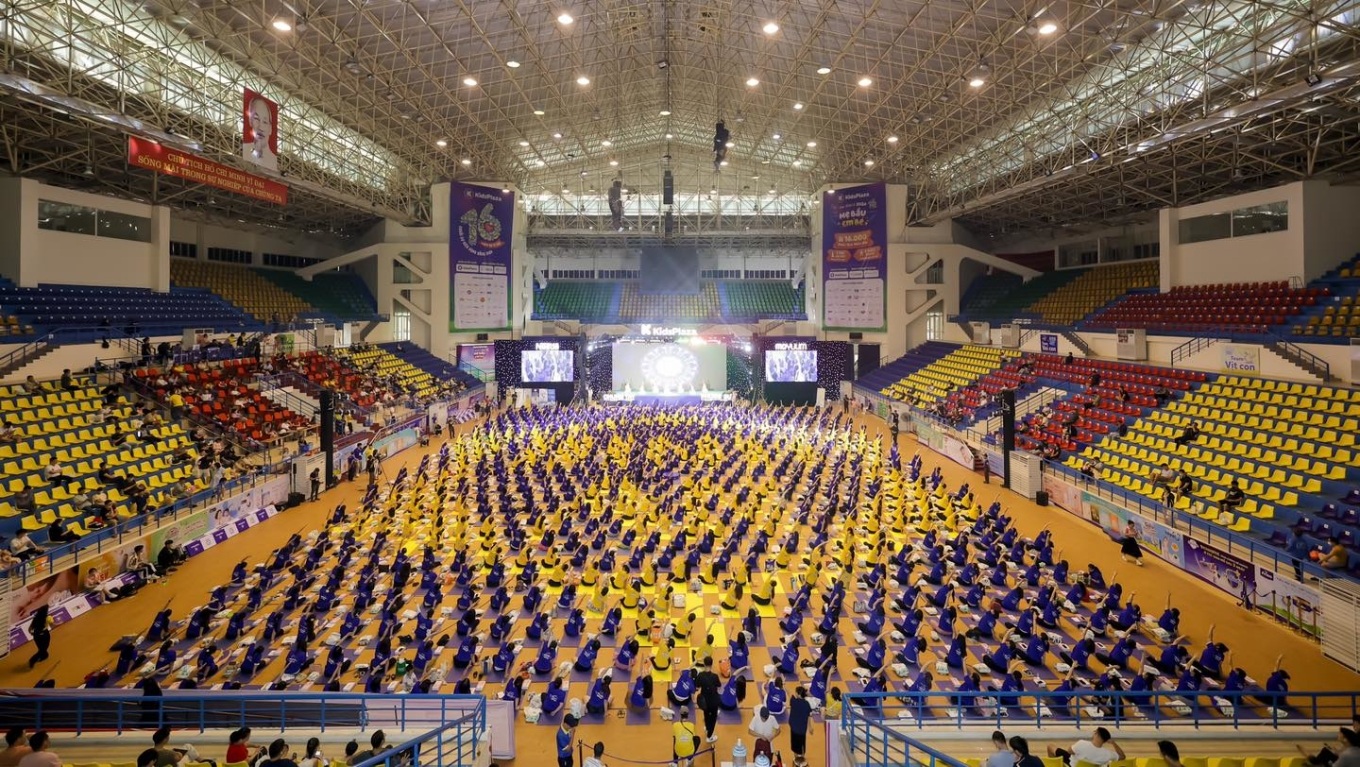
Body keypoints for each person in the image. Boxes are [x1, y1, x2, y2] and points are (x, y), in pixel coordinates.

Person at [1047, 727, 1124, 766]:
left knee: (1050, 746)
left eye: (1095, 732)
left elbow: (1069, 751)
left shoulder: (1082, 743)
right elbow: (1122, 756)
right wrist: (1114, 743)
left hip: (1073, 764)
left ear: (1097, 735)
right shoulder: (1108, 754)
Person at [243, 95, 278, 171]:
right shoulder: (244, 149)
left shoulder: (273, 160)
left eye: (265, 122)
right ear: (250, 121)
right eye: (256, 118)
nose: (260, 127)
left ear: (270, 128)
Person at [694, 657, 721, 744]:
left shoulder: (700, 675)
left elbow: (697, 687)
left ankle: (706, 728)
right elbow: (719, 685)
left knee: (706, 714)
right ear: (712, 664)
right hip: (713, 701)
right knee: (713, 719)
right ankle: (709, 736)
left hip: (704, 701)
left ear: (704, 664)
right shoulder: (715, 676)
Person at [788, 686, 812, 760]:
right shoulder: (807, 704)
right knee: (802, 745)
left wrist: (784, 685)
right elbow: (809, 716)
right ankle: (802, 757)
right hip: (802, 730)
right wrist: (810, 727)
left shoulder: (794, 701)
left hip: (794, 728)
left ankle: (795, 757)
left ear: (798, 694)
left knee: (795, 745)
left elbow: (789, 694)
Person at [27, 605, 51, 670]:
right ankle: (32, 660)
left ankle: (44, 655)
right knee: (43, 648)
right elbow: (53, 625)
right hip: (45, 635)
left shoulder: (35, 618)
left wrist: (33, 634)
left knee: (41, 648)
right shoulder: (48, 618)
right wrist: (60, 622)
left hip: (36, 635)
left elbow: (29, 629)